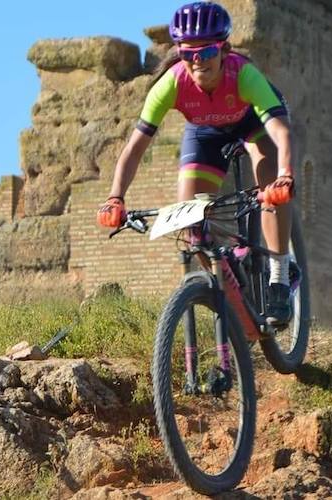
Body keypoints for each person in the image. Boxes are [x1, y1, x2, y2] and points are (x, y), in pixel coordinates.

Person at [97, 1, 295, 326]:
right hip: (205, 133)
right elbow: (135, 147)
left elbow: (280, 132)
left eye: (205, 53)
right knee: (191, 224)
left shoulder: (243, 75)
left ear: (224, 49)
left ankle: (279, 277)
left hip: (254, 123)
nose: (197, 62)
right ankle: (227, 285)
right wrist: (115, 197)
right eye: (189, 54)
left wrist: (285, 176)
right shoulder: (171, 85)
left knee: (269, 184)